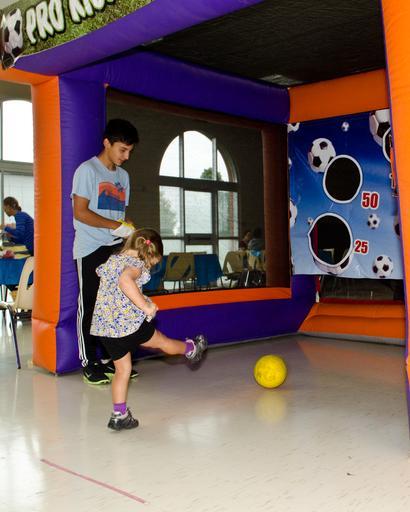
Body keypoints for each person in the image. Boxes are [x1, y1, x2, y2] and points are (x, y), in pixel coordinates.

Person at [90, 228, 207, 431]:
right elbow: (125, 281)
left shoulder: (112, 260)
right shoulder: (136, 265)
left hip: (106, 329)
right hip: (129, 325)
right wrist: (145, 306)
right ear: (150, 255)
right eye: (153, 264)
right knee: (162, 341)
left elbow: (110, 283)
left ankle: (119, 415)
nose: (150, 267)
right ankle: (191, 349)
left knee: (122, 370)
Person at [71, 119, 140, 385]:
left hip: (115, 249)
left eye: (130, 151)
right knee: (89, 305)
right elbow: (80, 212)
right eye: (122, 150)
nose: (126, 156)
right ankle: (89, 362)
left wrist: (128, 230)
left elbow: (120, 215)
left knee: (116, 305)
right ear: (107, 143)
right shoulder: (87, 171)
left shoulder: (124, 177)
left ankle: (115, 360)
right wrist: (115, 226)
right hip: (90, 248)